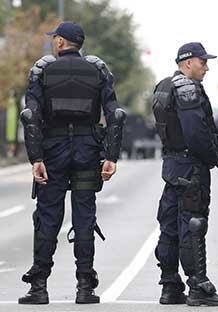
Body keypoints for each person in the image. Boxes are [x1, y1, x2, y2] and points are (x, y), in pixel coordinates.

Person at [18, 21, 126, 304]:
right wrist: (111, 156)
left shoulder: (42, 71)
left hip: (52, 151)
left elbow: (31, 116)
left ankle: (39, 287)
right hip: (87, 150)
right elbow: (114, 115)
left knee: (47, 217)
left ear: (60, 43)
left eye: (55, 38)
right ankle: (85, 287)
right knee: (84, 217)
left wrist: (36, 158)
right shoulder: (98, 70)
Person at [151, 42, 218, 306]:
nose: (206, 67)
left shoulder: (164, 86)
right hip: (190, 166)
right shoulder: (187, 89)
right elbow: (195, 133)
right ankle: (198, 287)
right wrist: (212, 158)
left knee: (170, 226)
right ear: (188, 63)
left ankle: (170, 286)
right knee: (193, 225)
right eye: (202, 62)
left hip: (173, 164)